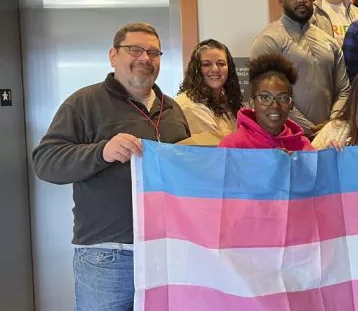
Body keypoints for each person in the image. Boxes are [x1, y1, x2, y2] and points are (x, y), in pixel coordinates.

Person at [31, 22, 190, 310]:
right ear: (113, 56)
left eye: (153, 52)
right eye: (135, 50)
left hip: (166, 251)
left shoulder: (172, 109)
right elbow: (45, 162)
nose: (145, 58)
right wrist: (102, 151)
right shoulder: (83, 103)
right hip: (108, 255)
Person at [250, 0, 350, 138]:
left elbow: (344, 90)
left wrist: (332, 124)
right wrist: (307, 129)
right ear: (281, 0)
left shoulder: (329, 41)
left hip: (328, 139)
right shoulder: (268, 40)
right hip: (285, 137)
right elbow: (263, 95)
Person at [219, 53, 314, 151]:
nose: (275, 105)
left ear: (291, 105)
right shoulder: (232, 146)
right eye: (265, 98)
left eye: (282, 98)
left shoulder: (303, 146)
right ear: (252, 104)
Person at [175, 39, 242, 141]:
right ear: (196, 69)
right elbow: (215, 150)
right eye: (206, 64)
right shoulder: (190, 105)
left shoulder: (225, 101)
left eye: (221, 63)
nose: (215, 69)